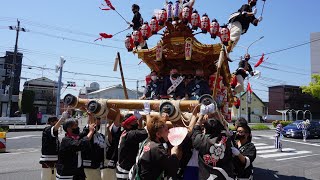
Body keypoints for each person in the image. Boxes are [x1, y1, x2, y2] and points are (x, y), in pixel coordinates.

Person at [136, 109, 181, 179]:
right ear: (158, 134)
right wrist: (174, 154)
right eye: (166, 130)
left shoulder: (147, 142)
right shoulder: (157, 149)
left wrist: (163, 120)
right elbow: (172, 169)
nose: (169, 132)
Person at [191, 113, 234, 179]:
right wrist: (217, 114)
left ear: (205, 130)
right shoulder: (226, 139)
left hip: (207, 177)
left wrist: (200, 117)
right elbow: (224, 128)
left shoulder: (202, 140)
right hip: (225, 176)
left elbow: (195, 130)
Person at [116, 112, 148, 180]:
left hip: (123, 169)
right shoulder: (130, 134)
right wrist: (148, 114)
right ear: (128, 125)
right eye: (134, 122)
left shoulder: (125, 133)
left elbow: (139, 131)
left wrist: (140, 119)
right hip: (125, 172)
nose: (136, 123)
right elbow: (146, 132)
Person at [39, 112, 68, 180]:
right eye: (56, 122)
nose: (58, 124)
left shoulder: (56, 132)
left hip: (55, 160)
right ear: (52, 122)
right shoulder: (47, 130)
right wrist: (62, 118)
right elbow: (54, 129)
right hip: (47, 160)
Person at [103, 109, 122, 180]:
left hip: (111, 159)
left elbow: (111, 140)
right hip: (109, 159)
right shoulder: (111, 130)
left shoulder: (114, 130)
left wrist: (118, 113)